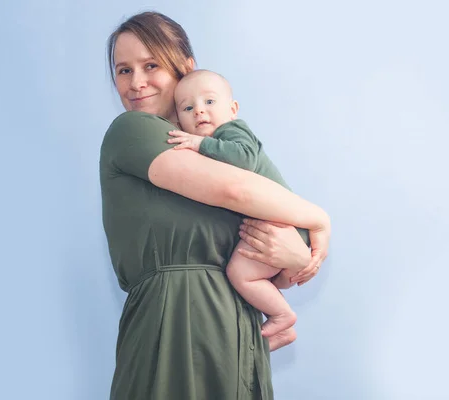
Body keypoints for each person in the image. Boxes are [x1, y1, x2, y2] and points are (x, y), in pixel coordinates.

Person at [100, 11, 330, 400]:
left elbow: (269, 254)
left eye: (150, 65)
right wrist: (320, 219)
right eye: (123, 70)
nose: (135, 83)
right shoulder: (133, 131)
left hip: (234, 332)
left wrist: (293, 254)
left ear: (186, 67)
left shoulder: (217, 146)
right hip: (171, 328)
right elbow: (237, 192)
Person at [165, 69, 308, 350]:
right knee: (247, 276)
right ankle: (279, 322)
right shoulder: (218, 140)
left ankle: (281, 316)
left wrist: (200, 143)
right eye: (188, 107)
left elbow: (243, 159)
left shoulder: (232, 131)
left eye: (209, 102)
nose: (199, 112)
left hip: (281, 226)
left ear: (232, 109)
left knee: (240, 274)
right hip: (276, 225)